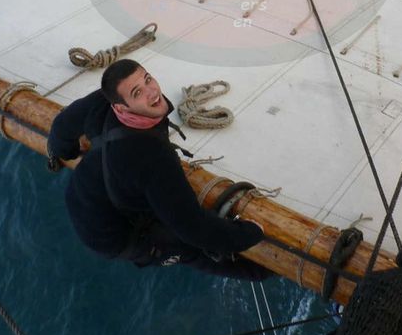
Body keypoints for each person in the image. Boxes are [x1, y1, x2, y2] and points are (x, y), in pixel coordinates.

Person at [47, 58, 272, 279]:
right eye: (137, 92)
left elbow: (61, 126)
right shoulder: (151, 157)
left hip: (83, 193)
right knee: (195, 250)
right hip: (108, 235)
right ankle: (263, 271)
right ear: (120, 106)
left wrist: (66, 152)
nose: (152, 92)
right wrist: (250, 234)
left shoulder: (104, 100)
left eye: (148, 79)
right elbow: (193, 228)